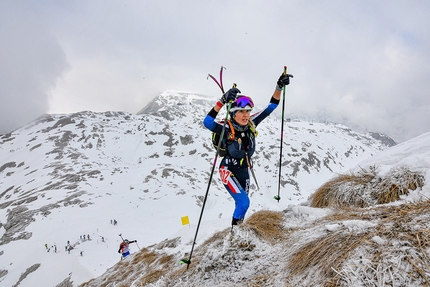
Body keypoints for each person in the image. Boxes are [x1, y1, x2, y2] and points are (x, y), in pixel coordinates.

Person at [203, 71, 291, 226]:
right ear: (233, 113)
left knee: (242, 205)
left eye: (248, 111)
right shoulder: (225, 128)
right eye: (241, 112)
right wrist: (222, 102)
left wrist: (279, 87)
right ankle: (235, 235)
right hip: (228, 169)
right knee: (244, 203)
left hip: (245, 169)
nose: (246, 115)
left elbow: (272, 106)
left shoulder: (251, 123)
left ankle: (238, 231)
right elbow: (207, 121)